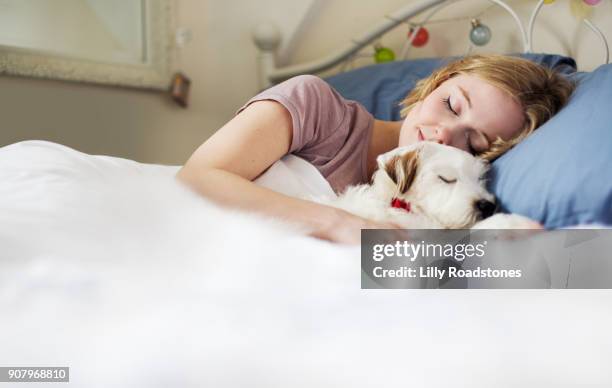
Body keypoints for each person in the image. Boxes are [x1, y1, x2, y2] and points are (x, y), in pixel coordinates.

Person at [176, 54, 574, 244]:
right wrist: (339, 224)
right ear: (439, 80)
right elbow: (196, 178)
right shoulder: (316, 105)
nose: (442, 136)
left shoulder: (441, 204)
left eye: (473, 142)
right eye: (451, 105)